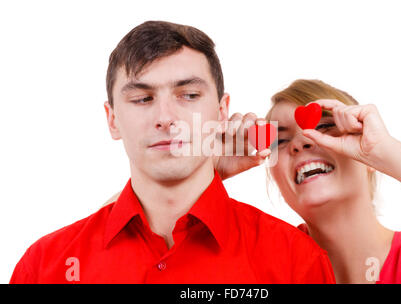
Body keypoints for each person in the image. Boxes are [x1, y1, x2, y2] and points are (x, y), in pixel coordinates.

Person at [9, 22, 335, 283]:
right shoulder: (43, 268)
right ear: (112, 120)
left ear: (222, 112)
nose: (166, 118)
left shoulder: (295, 261)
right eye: (142, 99)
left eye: (189, 95)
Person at [263, 79, 401, 283]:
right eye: (279, 141)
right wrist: (221, 172)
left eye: (323, 126)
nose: (301, 141)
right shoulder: (266, 265)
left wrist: (382, 150)